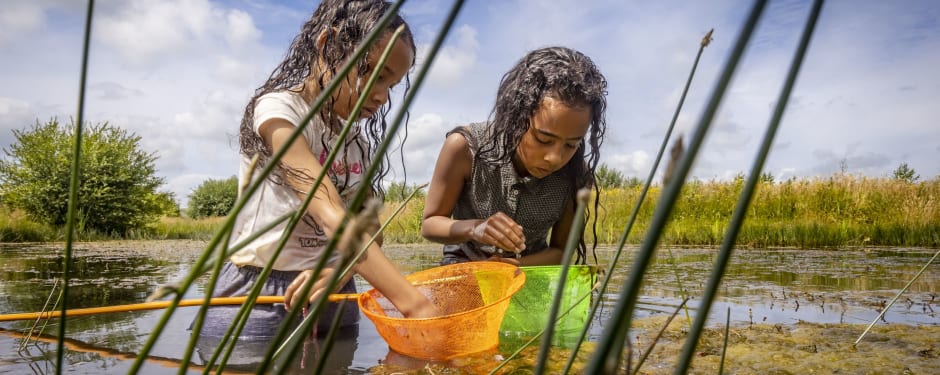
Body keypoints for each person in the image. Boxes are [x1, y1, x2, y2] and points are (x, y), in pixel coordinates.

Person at [195, 0, 436, 351]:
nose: (382, 96)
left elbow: (370, 231)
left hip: (334, 296)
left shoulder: (357, 143)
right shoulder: (280, 111)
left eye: (392, 85)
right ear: (326, 46)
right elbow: (328, 211)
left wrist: (340, 272)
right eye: (372, 72)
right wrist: (416, 306)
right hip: (257, 297)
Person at [421, 46, 608, 267]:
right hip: (464, 263)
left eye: (571, 144)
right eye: (543, 140)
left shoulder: (575, 174)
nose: (555, 158)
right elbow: (430, 224)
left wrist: (513, 268)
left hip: (531, 269)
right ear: (515, 120)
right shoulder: (464, 147)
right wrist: (475, 228)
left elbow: (561, 251)